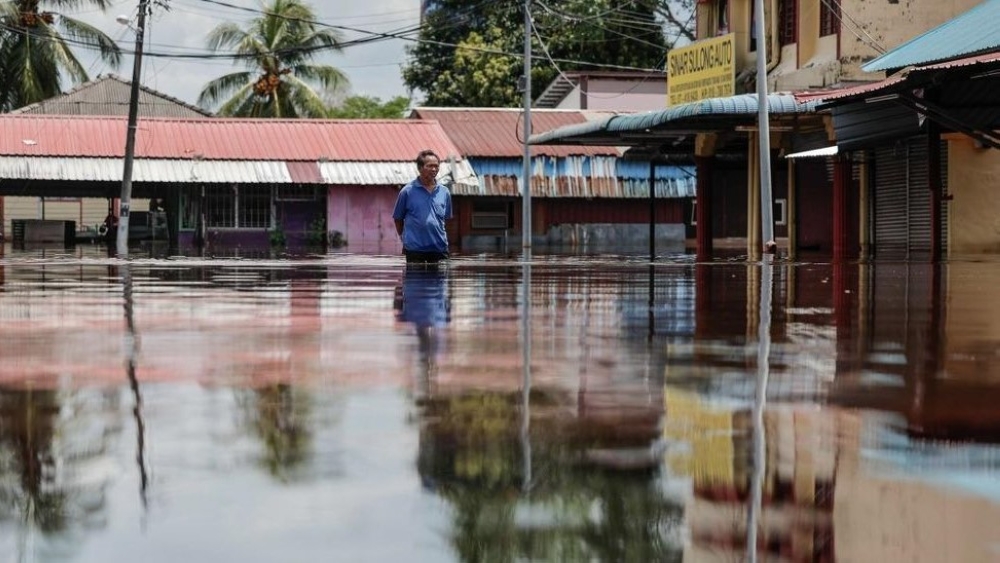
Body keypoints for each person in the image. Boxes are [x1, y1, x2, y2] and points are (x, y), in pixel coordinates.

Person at [393, 149, 453, 263]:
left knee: (441, 280)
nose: (434, 169)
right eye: (430, 166)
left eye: (436, 166)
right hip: (415, 250)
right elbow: (398, 219)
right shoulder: (407, 191)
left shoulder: (444, 192)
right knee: (415, 280)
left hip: (439, 249)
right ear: (420, 168)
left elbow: (447, 220)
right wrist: (405, 239)